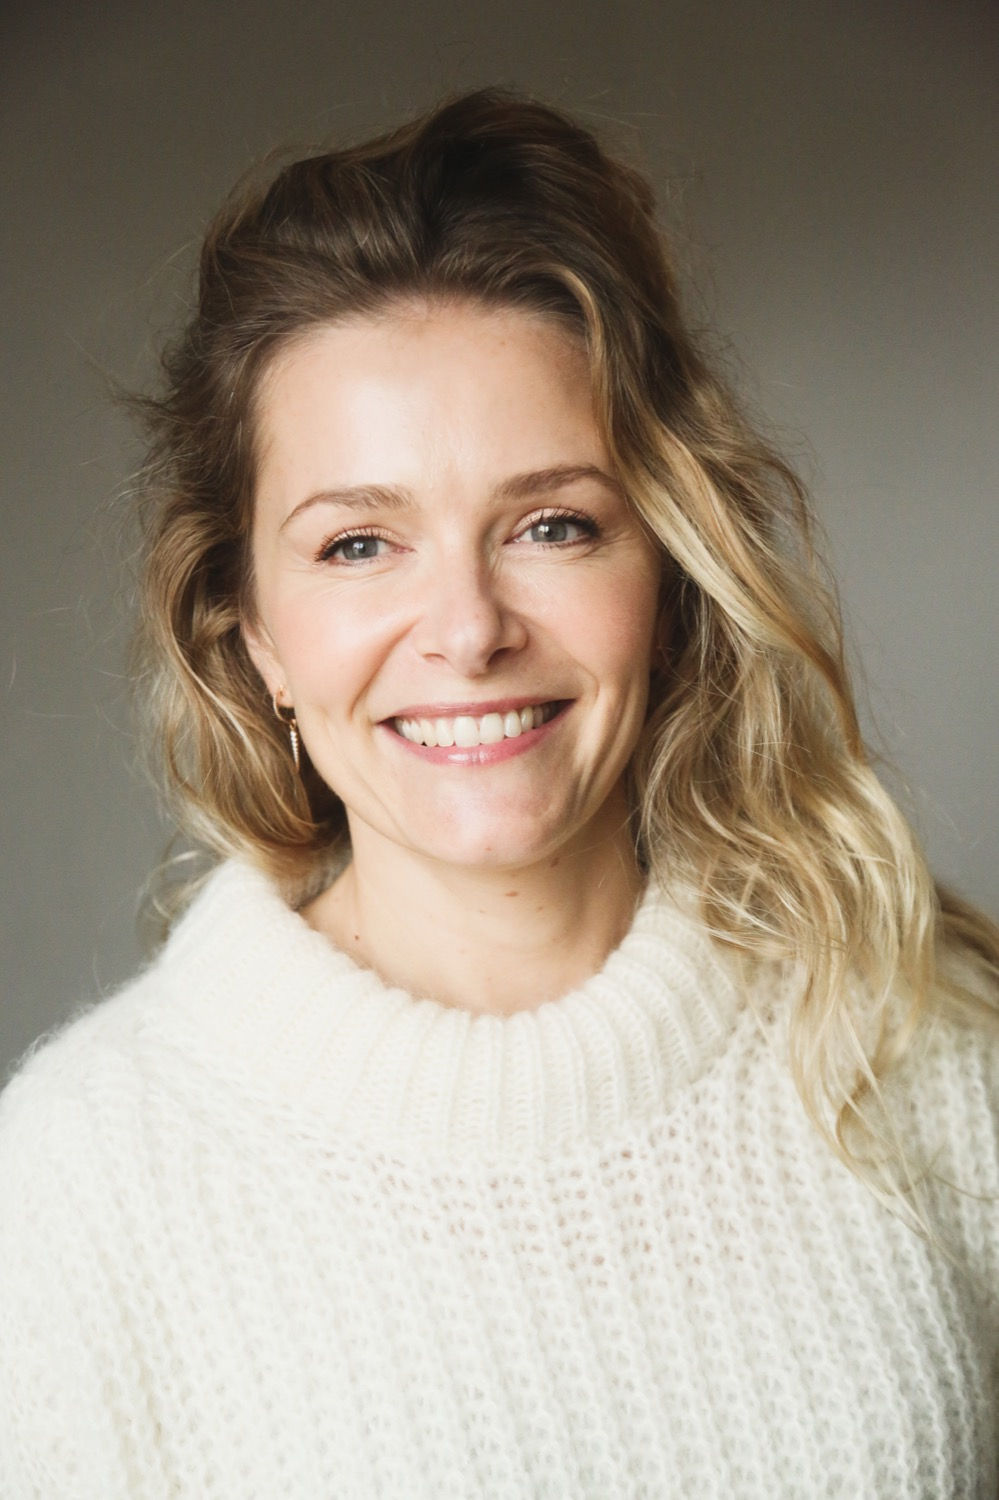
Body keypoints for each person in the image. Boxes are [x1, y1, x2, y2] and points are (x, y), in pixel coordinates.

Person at [0, 88, 996, 1500]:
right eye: (359, 545)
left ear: (669, 572)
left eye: (552, 525)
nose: (468, 630)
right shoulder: (73, 1190)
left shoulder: (926, 1045)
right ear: (253, 630)